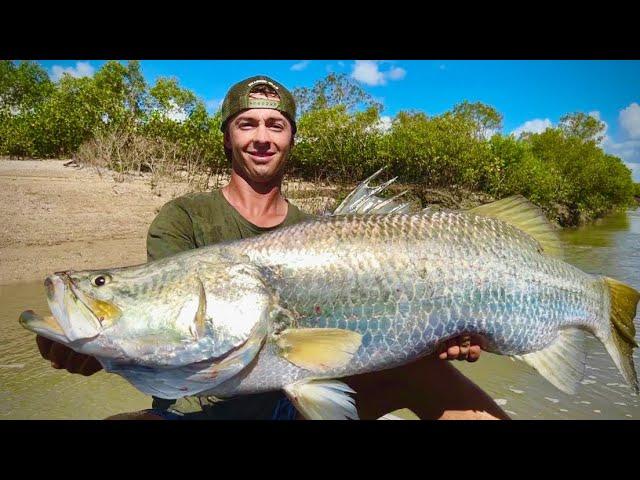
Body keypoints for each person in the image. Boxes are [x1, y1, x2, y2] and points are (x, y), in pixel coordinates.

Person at [36, 75, 509, 420]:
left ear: (290, 139)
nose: (261, 137)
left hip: (304, 397)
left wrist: (441, 339)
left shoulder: (323, 231)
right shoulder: (184, 218)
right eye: (246, 124)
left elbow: (370, 334)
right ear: (227, 136)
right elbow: (171, 333)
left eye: (275, 126)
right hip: (203, 409)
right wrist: (99, 350)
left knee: (434, 378)